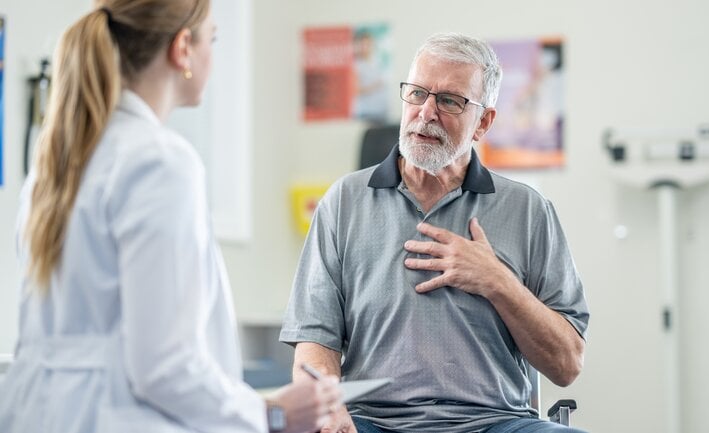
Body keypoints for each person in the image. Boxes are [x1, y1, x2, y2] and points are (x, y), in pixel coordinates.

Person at [0, 2, 341, 432]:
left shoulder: (56, 163)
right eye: (211, 40)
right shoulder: (158, 162)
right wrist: (273, 414)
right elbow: (164, 367)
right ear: (183, 48)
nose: (212, 57)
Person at [280, 32, 589, 433]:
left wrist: (497, 281)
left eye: (449, 100)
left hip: (495, 423)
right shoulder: (343, 202)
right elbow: (314, 346)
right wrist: (327, 410)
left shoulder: (528, 210)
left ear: (484, 122)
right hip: (373, 423)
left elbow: (567, 365)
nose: (426, 112)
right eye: (417, 93)